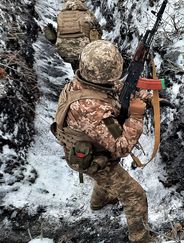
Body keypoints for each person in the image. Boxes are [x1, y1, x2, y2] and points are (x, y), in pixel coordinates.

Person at [51, 40, 152, 243]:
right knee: (135, 195)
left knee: (107, 174)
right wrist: (137, 115)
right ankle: (141, 239)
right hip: (91, 158)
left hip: (91, 150)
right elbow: (121, 146)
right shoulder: (90, 108)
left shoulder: (82, 80)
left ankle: (99, 202)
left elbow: (113, 87)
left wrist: (134, 91)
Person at [44, 0, 102, 70]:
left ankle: (77, 75)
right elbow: (99, 32)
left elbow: (60, 33)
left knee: (76, 66)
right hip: (84, 52)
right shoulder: (87, 14)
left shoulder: (60, 15)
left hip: (65, 52)